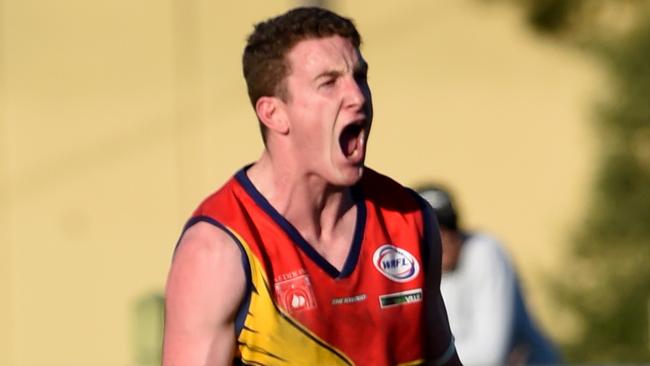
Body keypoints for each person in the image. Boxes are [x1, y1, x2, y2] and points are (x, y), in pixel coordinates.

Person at [163, 7, 462, 366]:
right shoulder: (218, 250)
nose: (357, 96)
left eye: (360, 76)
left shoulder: (410, 221)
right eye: (329, 82)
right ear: (273, 113)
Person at [417, 184, 561, 366]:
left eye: (449, 227)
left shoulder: (485, 252)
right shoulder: (410, 270)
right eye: (432, 231)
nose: (444, 238)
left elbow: (490, 355)